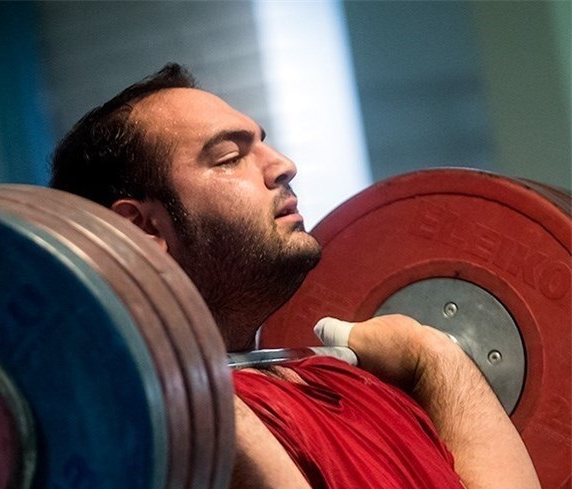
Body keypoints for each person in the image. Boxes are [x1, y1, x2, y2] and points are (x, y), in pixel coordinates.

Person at [50, 63, 540, 488]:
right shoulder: (141, 441)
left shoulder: (345, 382)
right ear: (142, 230)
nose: (283, 165)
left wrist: (432, 358)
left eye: (263, 143)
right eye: (229, 157)